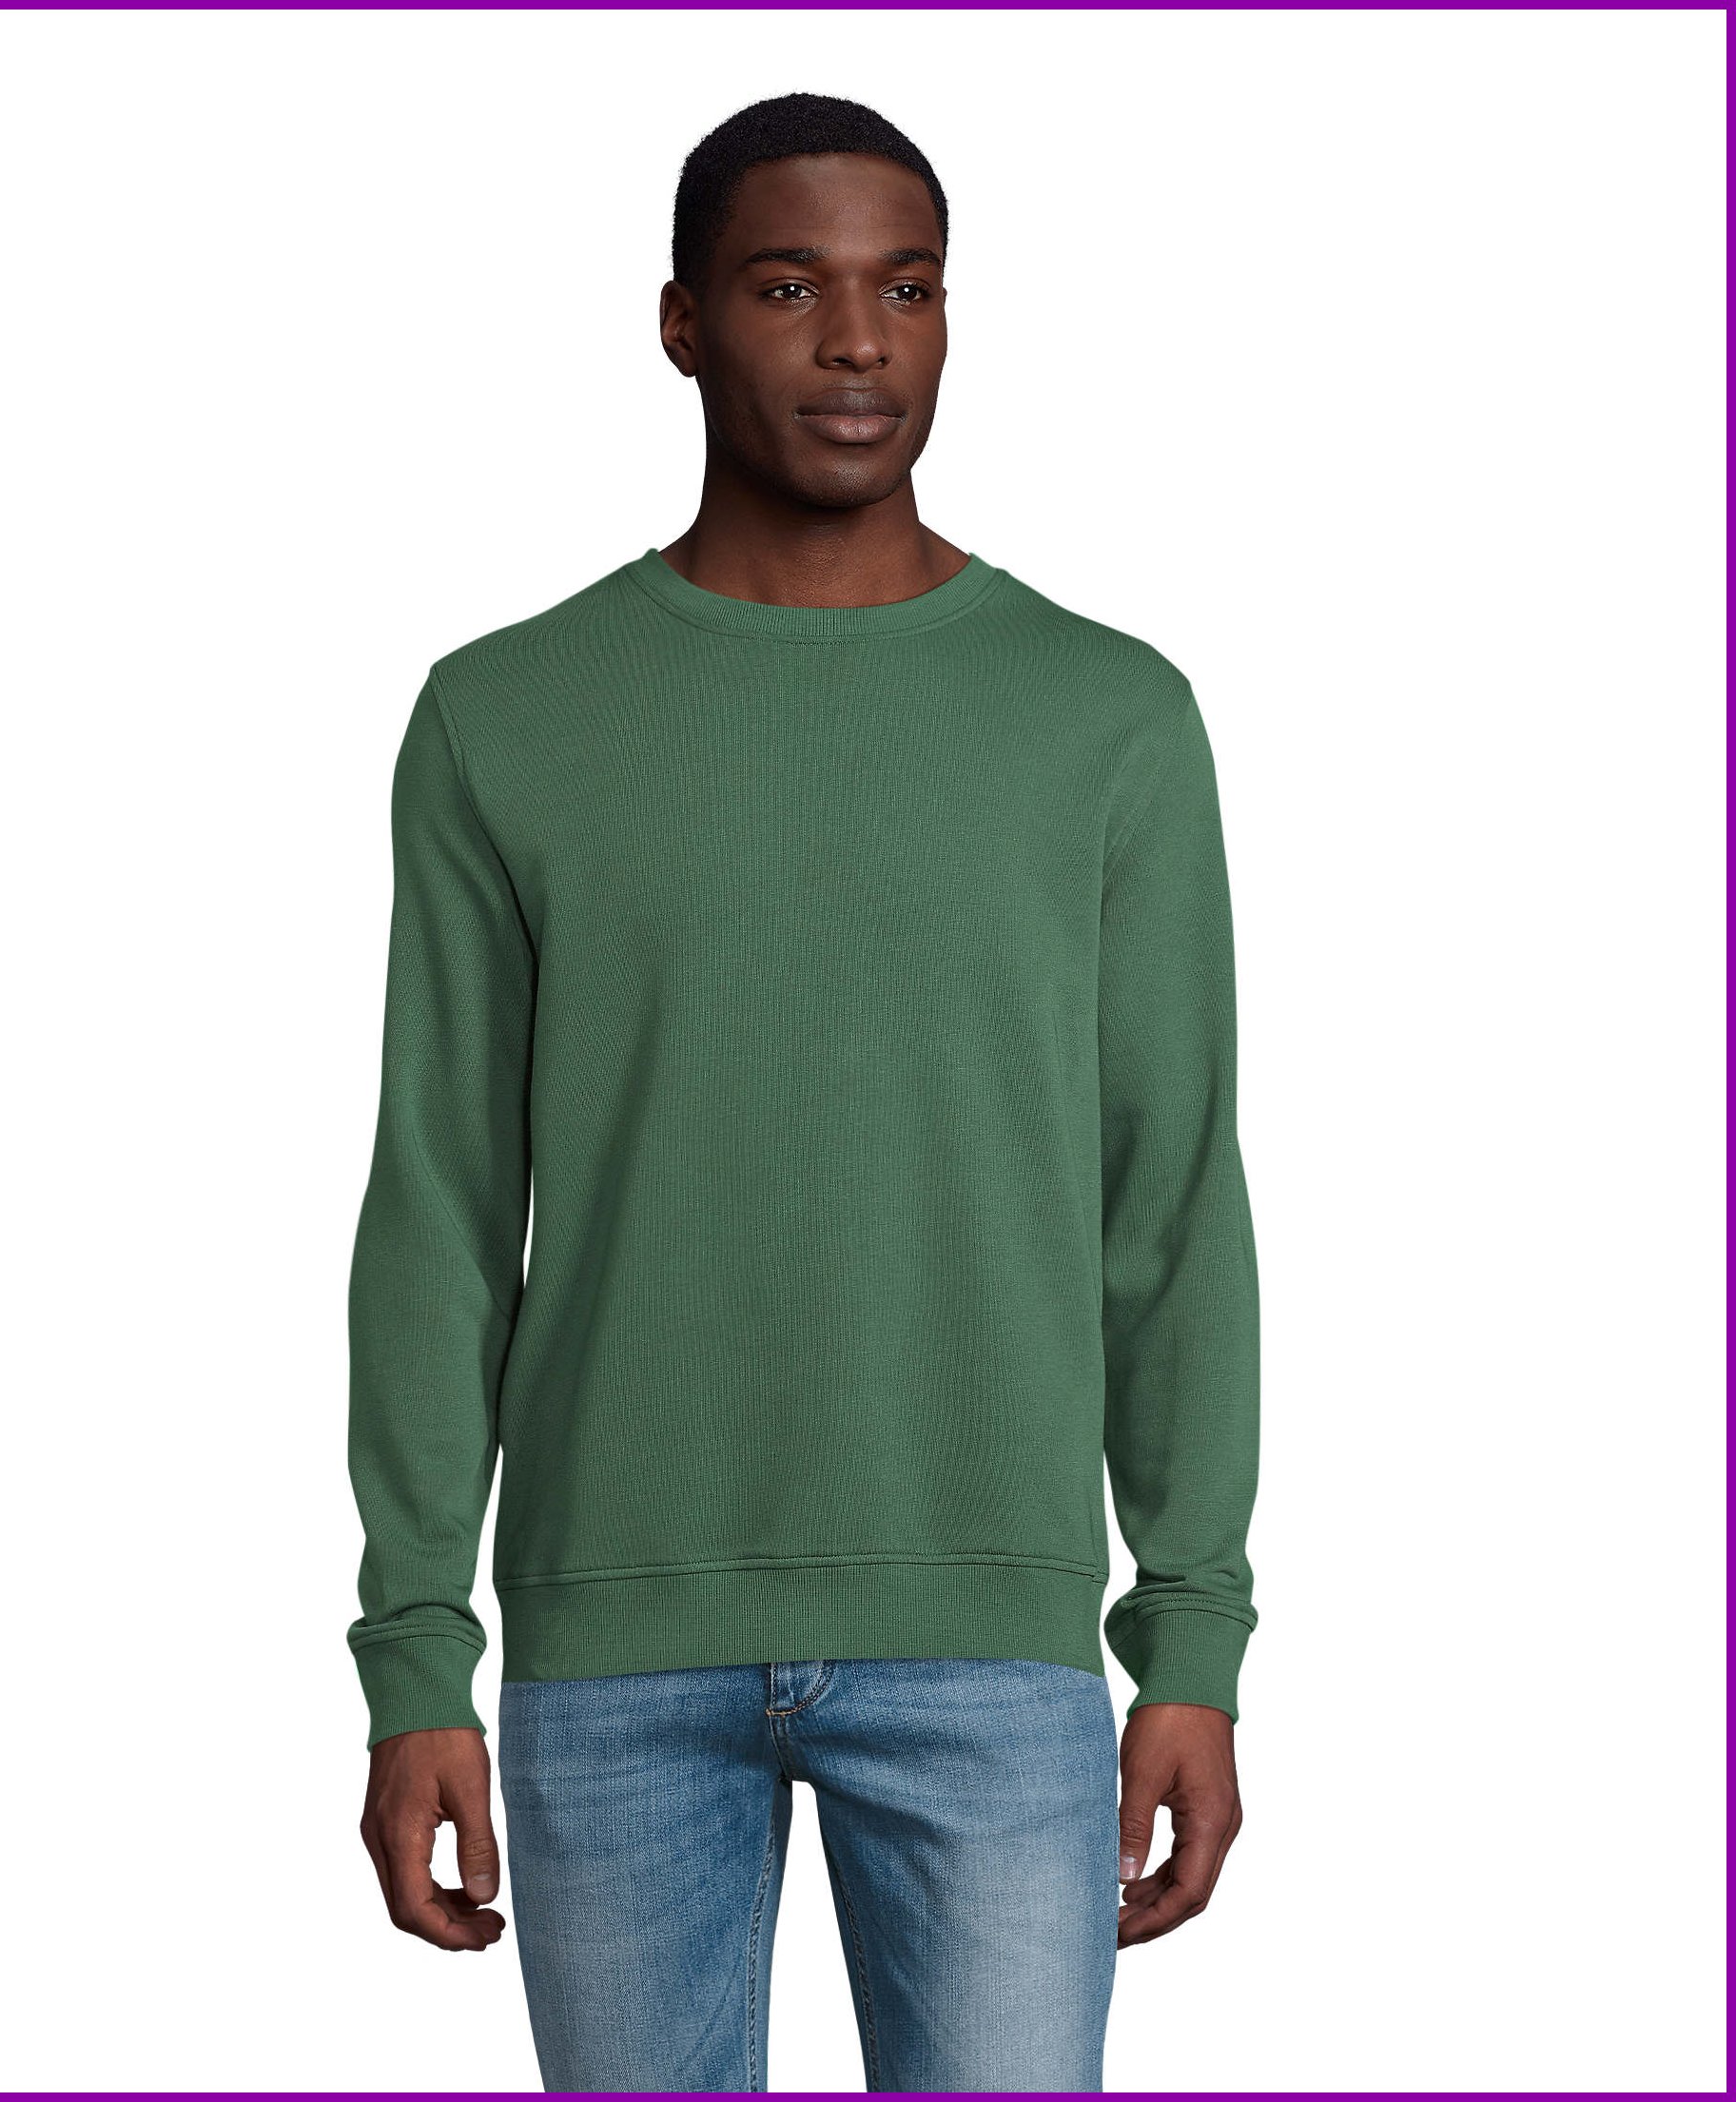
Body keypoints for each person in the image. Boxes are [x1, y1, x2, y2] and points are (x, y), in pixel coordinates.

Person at [347, 90, 1260, 2095]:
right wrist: (416, 1653)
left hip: (993, 1647)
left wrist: (1191, 1635)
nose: (858, 341)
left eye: (907, 288)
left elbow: (1173, 1205)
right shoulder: (504, 717)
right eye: (789, 287)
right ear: (680, 322)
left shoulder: (1107, 718)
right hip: (611, 1648)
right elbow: (439, 1207)